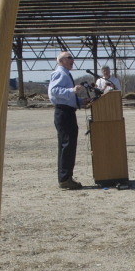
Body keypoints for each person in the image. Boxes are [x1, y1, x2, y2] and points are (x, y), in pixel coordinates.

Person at [48, 50, 85, 190]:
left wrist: (80, 101)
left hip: (67, 111)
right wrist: (72, 91)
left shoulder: (65, 73)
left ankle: (66, 177)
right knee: (67, 145)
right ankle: (65, 179)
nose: (72, 60)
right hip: (64, 113)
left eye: (72, 58)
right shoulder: (60, 73)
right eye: (69, 58)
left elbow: (66, 96)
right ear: (61, 60)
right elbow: (54, 91)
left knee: (67, 145)